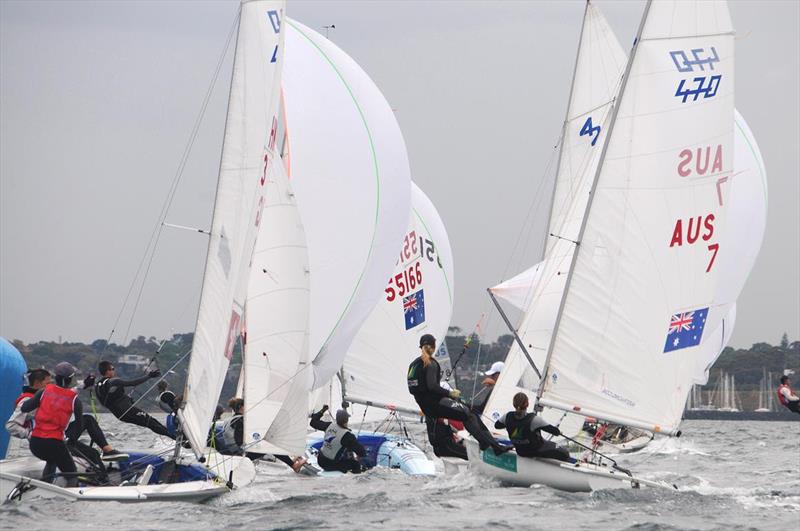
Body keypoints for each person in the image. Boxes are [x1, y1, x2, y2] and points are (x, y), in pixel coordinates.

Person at [407, 334, 510, 455]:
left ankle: (488, 444)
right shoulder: (430, 363)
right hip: (436, 404)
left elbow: (414, 389)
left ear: (421, 346)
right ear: (434, 346)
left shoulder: (413, 365)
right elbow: (432, 386)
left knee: (469, 411)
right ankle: (492, 446)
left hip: (427, 406)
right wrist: (450, 393)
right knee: (468, 414)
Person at [7, 368, 126, 462]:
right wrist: (30, 435)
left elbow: (66, 394)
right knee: (93, 454)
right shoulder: (26, 400)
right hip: (47, 440)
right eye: (48, 383)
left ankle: (107, 450)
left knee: (88, 419)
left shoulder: (46, 394)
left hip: (58, 435)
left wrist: (84, 384)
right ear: (38, 383)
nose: (51, 386)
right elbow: (11, 425)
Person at [19, 362, 82, 486]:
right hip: (54, 443)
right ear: (71, 379)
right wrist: (72, 441)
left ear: (56, 378)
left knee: (52, 460)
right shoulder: (75, 399)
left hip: (35, 443)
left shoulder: (43, 391)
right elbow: (79, 425)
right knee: (72, 474)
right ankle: (71, 503)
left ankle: (44, 487)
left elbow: (24, 408)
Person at [94, 360, 174, 438]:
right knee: (151, 422)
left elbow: (108, 401)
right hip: (127, 411)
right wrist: (149, 376)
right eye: (112, 369)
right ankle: (176, 437)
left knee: (150, 424)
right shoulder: (113, 381)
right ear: (107, 371)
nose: (113, 371)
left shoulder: (97, 385)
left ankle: (175, 437)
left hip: (120, 415)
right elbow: (132, 383)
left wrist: (126, 400)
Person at [495, 392, 573, 463]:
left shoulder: (507, 417)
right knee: (564, 453)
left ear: (514, 404)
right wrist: (559, 432)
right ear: (527, 404)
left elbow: (497, 426)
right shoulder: (534, 420)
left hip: (521, 451)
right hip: (535, 451)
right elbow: (555, 431)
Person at [309, 405, 366, 473]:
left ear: (337, 419)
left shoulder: (329, 425)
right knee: (355, 464)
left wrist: (322, 410)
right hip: (330, 464)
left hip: (320, 459)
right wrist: (360, 456)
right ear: (346, 420)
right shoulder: (347, 436)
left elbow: (313, 422)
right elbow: (361, 452)